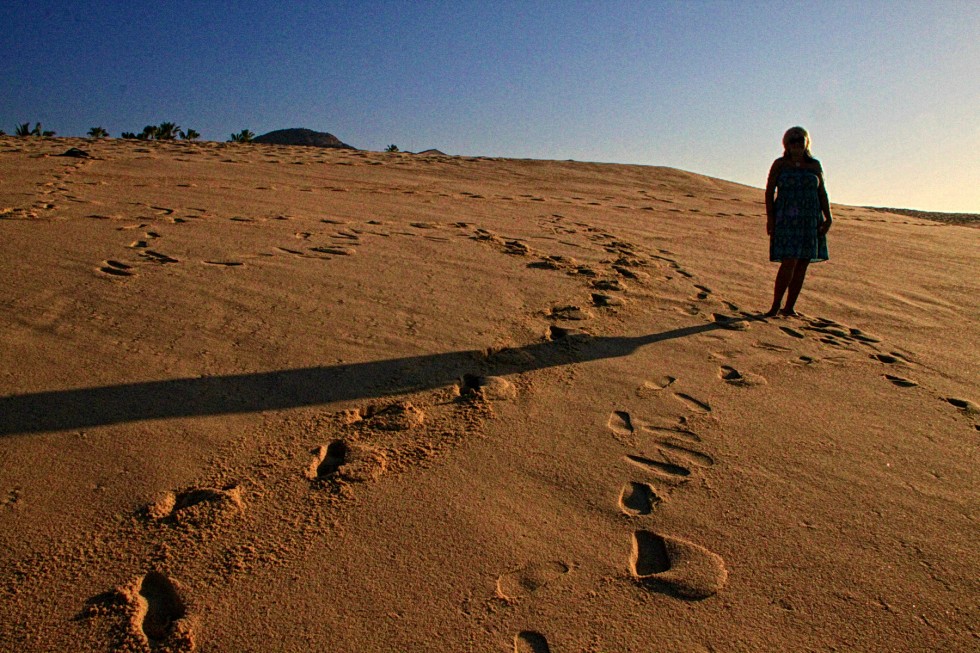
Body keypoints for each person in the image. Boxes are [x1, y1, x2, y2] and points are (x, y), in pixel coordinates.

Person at [764, 126, 833, 317]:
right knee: (789, 261)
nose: (796, 144)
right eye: (792, 141)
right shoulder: (780, 164)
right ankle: (775, 306)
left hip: (810, 219)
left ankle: (790, 307)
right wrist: (770, 218)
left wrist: (829, 217)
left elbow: (822, 192)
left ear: (806, 142)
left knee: (803, 262)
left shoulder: (814, 165)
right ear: (786, 143)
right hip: (787, 218)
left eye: (800, 140)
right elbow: (769, 192)